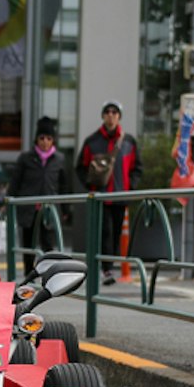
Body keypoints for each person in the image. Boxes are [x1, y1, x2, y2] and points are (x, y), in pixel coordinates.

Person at [77, 100, 142, 285]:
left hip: (121, 196)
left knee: (115, 234)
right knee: (104, 232)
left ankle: (108, 267)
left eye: (114, 112)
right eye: (108, 112)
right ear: (103, 116)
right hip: (101, 197)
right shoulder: (92, 141)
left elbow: (137, 167)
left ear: (119, 116)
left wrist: (130, 188)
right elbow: (80, 167)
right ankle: (106, 270)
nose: (111, 115)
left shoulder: (129, 141)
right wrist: (91, 187)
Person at [6, 116, 71, 277]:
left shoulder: (59, 159)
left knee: (48, 243)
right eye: (42, 138)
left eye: (49, 138)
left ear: (53, 140)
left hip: (49, 209)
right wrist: (9, 200)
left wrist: (65, 209)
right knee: (28, 243)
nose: (45, 142)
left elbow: (64, 186)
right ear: (36, 139)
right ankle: (29, 273)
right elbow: (16, 182)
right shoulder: (26, 158)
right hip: (28, 208)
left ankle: (48, 273)